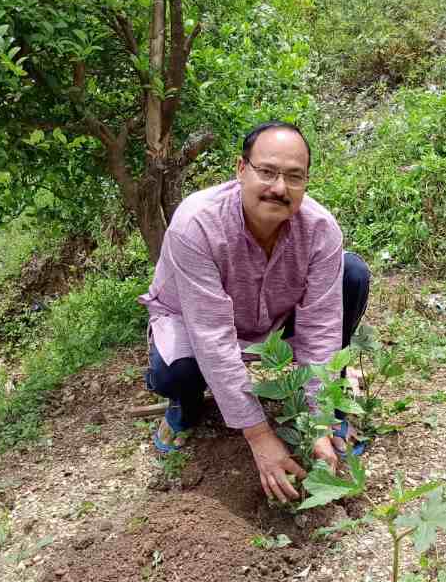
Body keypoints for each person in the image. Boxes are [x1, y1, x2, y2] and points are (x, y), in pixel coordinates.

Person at [137, 121, 371, 502]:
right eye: (267, 172)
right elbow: (211, 335)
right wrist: (260, 435)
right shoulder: (196, 223)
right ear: (241, 169)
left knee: (352, 274)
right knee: (175, 371)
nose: (280, 188)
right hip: (193, 322)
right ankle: (186, 407)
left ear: (307, 182)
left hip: (274, 318)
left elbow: (321, 328)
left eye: (294, 177)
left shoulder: (321, 229)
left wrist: (318, 421)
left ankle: (333, 413)